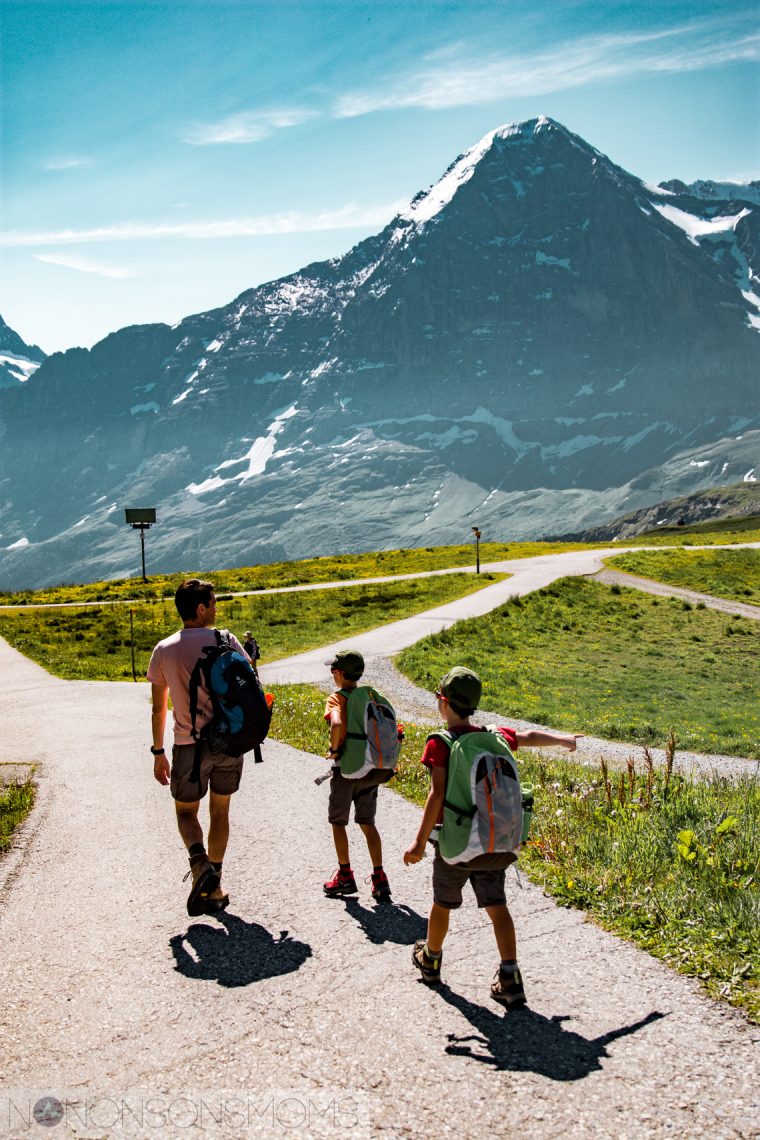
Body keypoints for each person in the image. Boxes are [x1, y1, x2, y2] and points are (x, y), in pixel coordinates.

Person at [403, 666, 581, 1008]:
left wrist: (419, 842)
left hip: (455, 846)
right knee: (498, 908)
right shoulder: (495, 735)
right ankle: (510, 976)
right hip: (494, 841)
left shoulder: (439, 743)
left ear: (443, 702)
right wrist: (563, 740)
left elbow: (436, 795)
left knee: (442, 904)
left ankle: (431, 959)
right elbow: (527, 736)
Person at [147, 579, 248, 917]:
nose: (216, 609)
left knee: (186, 813)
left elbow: (159, 708)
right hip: (228, 741)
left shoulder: (164, 650)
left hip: (188, 746)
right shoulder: (226, 639)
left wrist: (158, 751)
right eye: (213, 603)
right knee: (220, 811)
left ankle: (200, 864)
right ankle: (214, 884)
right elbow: (252, 681)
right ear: (201, 608)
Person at [321, 649, 393, 902]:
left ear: (339, 674)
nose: (332, 674)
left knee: (338, 821)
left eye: (333, 670)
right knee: (367, 822)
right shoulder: (369, 698)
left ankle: (345, 875)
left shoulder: (336, 698)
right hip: (371, 769)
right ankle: (379, 877)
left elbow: (337, 724)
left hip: (346, 771)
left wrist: (334, 750)